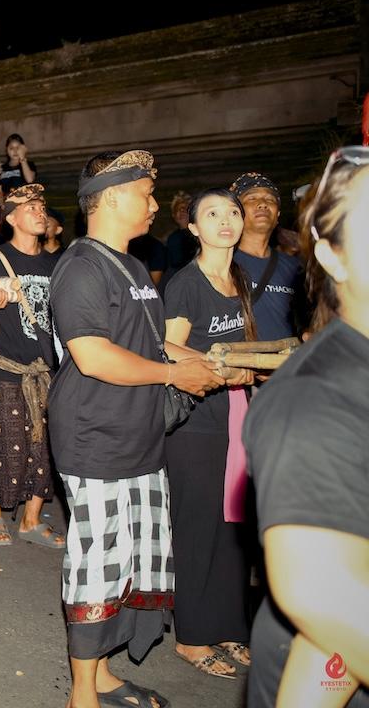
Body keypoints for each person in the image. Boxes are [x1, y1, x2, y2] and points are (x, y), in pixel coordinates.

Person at [49, 150, 224, 708]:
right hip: (96, 439)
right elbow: (95, 356)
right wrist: (175, 372)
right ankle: (82, 694)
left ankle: (100, 673)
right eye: (147, 194)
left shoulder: (128, 263)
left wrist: (206, 365)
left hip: (140, 438)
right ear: (115, 196)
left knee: (130, 561)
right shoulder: (81, 266)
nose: (154, 205)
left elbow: (148, 342)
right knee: (98, 566)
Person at [244, 147, 369, 707]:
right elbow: (326, 601)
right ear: (333, 256)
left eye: (271, 201)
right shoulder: (316, 403)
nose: (261, 210)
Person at [162, 188, 258, 680]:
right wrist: (218, 367)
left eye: (233, 212)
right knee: (198, 525)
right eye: (213, 214)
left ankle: (228, 625)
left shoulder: (238, 277)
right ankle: (192, 636)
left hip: (235, 414)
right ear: (194, 229)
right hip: (195, 420)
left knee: (232, 526)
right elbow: (166, 347)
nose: (227, 220)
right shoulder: (186, 284)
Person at [0, 184, 63, 551]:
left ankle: (31, 518)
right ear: (11, 218)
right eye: (31, 207)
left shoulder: (57, 264)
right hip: (6, 368)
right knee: (10, 444)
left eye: (42, 206)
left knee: (46, 448)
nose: (40, 212)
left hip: (47, 370)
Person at [231, 172, 304, 341]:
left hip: (288, 365)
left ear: (278, 215)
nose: (263, 204)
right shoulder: (221, 264)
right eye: (251, 198)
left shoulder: (296, 268)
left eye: (270, 199)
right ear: (235, 212)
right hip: (240, 365)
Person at [163, 191, 197, 282]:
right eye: (178, 209)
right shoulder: (172, 238)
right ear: (174, 215)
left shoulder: (201, 236)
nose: (182, 211)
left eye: (185, 208)